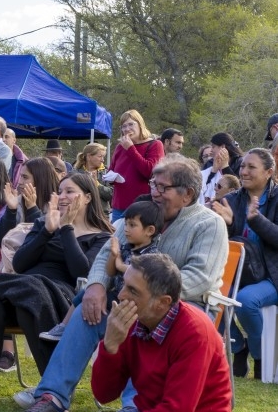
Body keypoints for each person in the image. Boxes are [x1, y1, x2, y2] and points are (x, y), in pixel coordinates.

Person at [21, 156, 228, 412]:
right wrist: (96, 286)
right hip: (131, 299)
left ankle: (133, 407)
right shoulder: (141, 212)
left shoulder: (209, 224)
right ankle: (51, 396)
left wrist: (145, 295)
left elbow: (200, 277)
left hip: (185, 308)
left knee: (134, 317)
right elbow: (107, 254)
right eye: (154, 184)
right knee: (89, 310)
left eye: (163, 188)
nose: (155, 192)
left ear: (188, 194)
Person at [0, 173, 112, 406]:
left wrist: (65, 229)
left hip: (61, 297)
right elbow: (20, 264)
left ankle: (50, 387)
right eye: (60, 191)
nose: (62, 196)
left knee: (18, 297)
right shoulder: (44, 224)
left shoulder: (101, 236)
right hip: (22, 288)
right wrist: (46, 231)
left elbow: (82, 273)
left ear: (87, 198)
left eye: (69, 191)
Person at [91, 254, 232, 411]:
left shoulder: (195, 333)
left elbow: (178, 408)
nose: (121, 295)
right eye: (124, 285)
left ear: (163, 302)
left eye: (133, 290)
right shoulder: (133, 321)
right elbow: (103, 394)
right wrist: (110, 345)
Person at [40, 200, 163, 341]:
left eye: (132, 225)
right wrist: (113, 255)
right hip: (116, 295)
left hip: (130, 302)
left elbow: (139, 274)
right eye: (126, 224)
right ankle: (63, 326)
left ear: (150, 231)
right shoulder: (126, 248)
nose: (126, 229)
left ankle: (71, 331)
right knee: (84, 294)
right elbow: (110, 272)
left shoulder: (152, 255)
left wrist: (119, 264)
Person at [211, 148, 278, 379]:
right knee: (208, 297)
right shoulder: (231, 199)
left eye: (252, 167)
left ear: (269, 172)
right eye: (243, 166)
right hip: (237, 272)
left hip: (271, 275)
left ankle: (260, 356)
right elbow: (224, 242)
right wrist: (227, 225)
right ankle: (239, 347)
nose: (244, 171)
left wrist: (256, 220)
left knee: (247, 300)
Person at [106, 109, 164, 222]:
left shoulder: (155, 145)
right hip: (119, 205)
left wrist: (131, 149)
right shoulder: (120, 147)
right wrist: (110, 177)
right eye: (123, 126)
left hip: (142, 206)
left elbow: (150, 172)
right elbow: (111, 170)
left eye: (131, 124)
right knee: (118, 238)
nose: (127, 129)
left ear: (140, 124)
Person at [0, 157, 60, 245]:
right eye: (20, 176)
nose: (20, 182)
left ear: (40, 180)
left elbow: (43, 241)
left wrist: (32, 209)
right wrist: (11, 211)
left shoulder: (57, 206)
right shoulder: (18, 202)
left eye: (25, 177)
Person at [201, 133, 245, 205]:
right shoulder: (209, 163)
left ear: (222, 147)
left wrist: (225, 167)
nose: (211, 150)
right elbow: (204, 184)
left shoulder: (240, 163)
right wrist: (213, 172)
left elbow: (238, 186)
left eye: (213, 147)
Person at [74, 142, 112, 216]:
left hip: (102, 215)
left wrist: (97, 185)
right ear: (89, 156)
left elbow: (111, 195)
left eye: (103, 157)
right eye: (100, 156)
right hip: (81, 215)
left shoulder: (106, 173)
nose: (102, 160)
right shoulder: (75, 173)